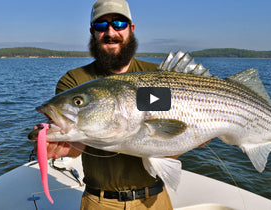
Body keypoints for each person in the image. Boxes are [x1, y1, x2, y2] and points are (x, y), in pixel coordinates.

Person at [39, 0, 174, 209]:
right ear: (92, 32)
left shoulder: (157, 77)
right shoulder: (75, 81)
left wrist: (200, 134)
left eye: (119, 24)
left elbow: (169, 134)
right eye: (102, 26)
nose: (110, 32)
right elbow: (76, 147)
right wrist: (63, 146)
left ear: (131, 29)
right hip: (99, 202)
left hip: (155, 200)